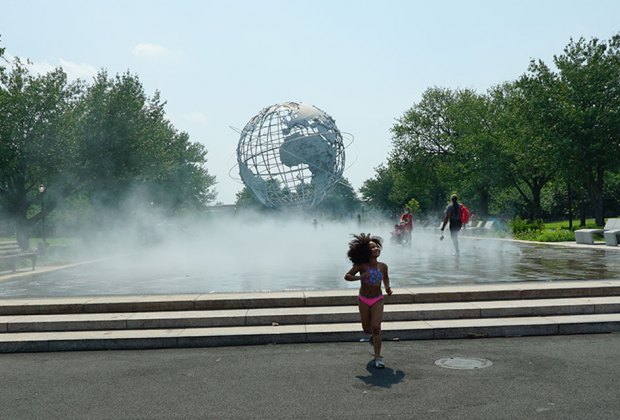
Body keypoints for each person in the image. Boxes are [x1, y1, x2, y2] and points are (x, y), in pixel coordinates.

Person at [344, 233, 392, 368]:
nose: (376, 248)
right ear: (366, 251)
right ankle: (372, 337)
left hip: (377, 298)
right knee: (367, 329)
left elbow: (386, 278)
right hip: (364, 299)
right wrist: (360, 277)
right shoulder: (361, 266)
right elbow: (347, 276)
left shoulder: (383, 266)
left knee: (376, 327)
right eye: (372, 247)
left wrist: (388, 288)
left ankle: (378, 357)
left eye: (377, 246)